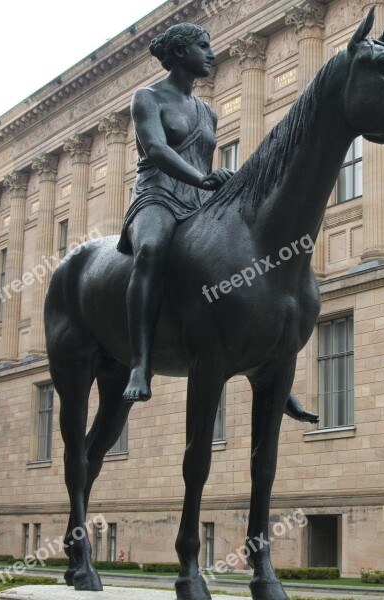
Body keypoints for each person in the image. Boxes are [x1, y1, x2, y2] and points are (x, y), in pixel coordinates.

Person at [118, 23, 233, 401]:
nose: (210, 53)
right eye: (203, 45)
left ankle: (265, 354)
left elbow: (205, 158)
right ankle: (140, 361)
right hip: (156, 196)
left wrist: (217, 184)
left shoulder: (208, 113)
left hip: (198, 204)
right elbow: (155, 149)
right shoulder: (147, 98)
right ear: (181, 52)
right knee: (150, 251)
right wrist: (202, 179)